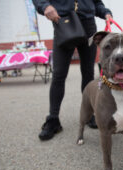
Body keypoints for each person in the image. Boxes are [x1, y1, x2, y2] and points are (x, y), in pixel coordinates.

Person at [32, 0, 112, 140]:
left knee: (88, 73)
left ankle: (89, 115)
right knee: (58, 74)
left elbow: (97, 3)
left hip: (88, 25)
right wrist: (45, 6)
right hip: (63, 21)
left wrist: (105, 12)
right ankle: (53, 119)